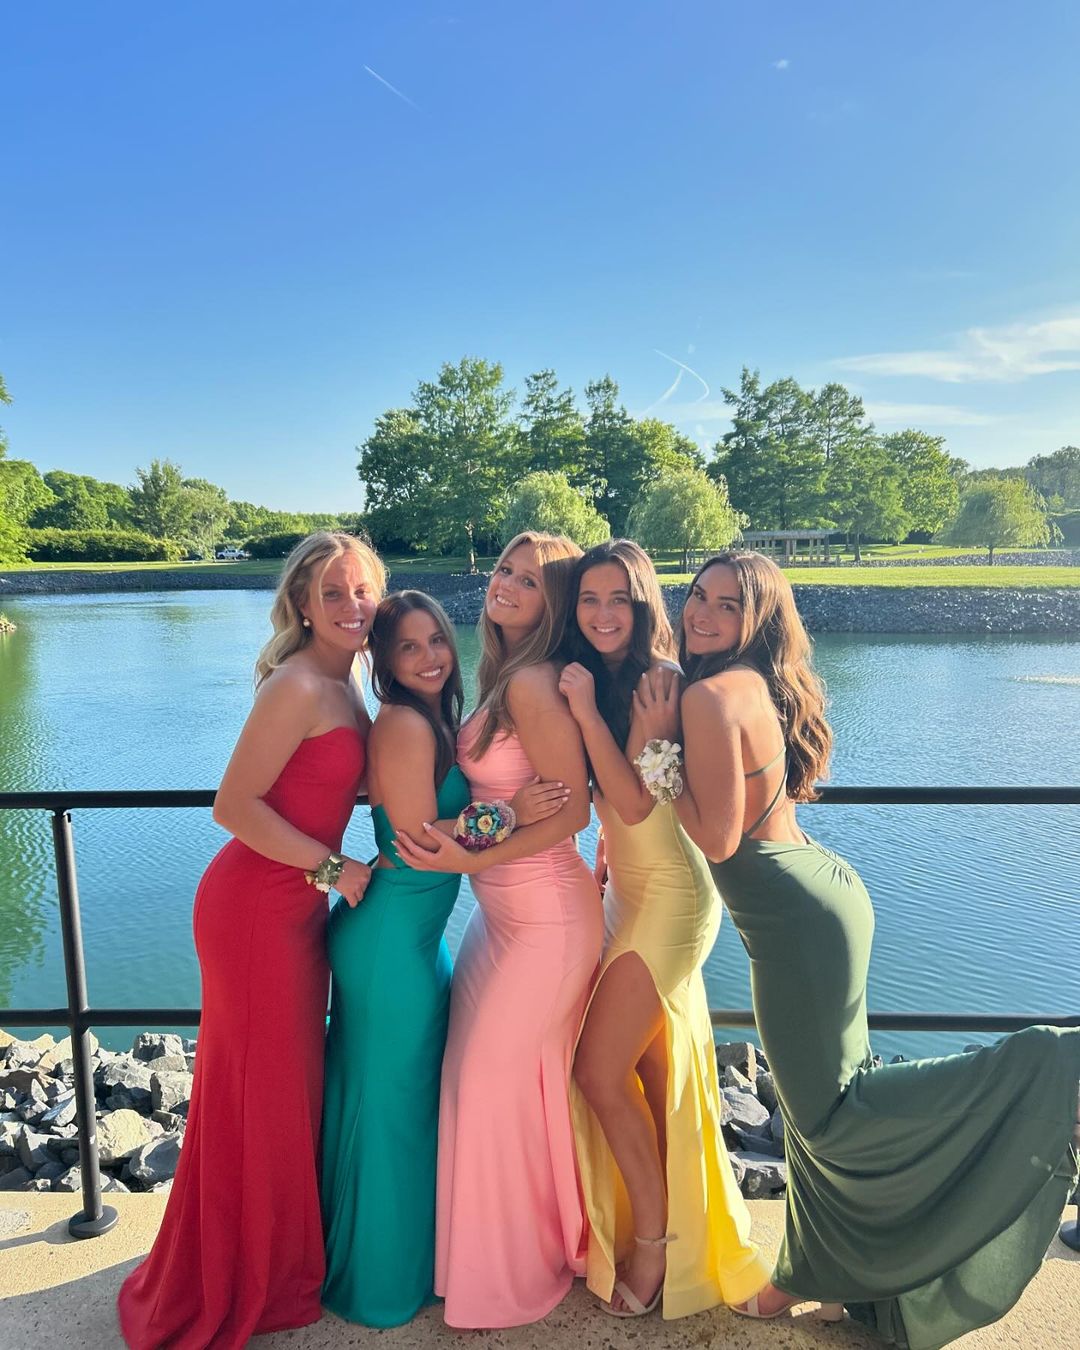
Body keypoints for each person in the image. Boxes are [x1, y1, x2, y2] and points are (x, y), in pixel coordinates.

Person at [637, 548, 1080, 1348]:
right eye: (698, 595)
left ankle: (1049, 1060)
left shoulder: (706, 696)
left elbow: (718, 836)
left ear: (757, 621)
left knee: (829, 1115)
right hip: (818, 892)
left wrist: (653, 751)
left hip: (791, 918)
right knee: (819, 1107)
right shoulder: (753, 682)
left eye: (728, 605)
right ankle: (827, 1278)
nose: (701, 613)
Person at [118, 530, 384, 1349]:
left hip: (295, 913)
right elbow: (233, 807)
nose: (351, 606)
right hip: (253, 913)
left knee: (285, 1092)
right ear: (301, 603)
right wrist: (334, 868)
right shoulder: (298, 685)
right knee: (260, 1094)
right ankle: (242, 1275)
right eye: (332, 592)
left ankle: (274, 1258)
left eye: (363, 590)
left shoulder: (350, 680)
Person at [320, 590, 569, 1326]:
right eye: (408, 646)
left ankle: (411, 1261)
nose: (430, 656)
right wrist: (511, 812)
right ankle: (376, 1285)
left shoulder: (432, 719)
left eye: (435, 640)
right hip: (388, 945)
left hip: (416, 944)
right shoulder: (402, 723)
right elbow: (418, 841)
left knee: (402, 1109)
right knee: (388, 1115)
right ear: (384, 662)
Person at [395, 531, 605, 1329]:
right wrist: (481, 830)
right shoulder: (503, 675)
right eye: (505, 570)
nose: (506, 585)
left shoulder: (536, 683)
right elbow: (507, 804)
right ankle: (482, 1256)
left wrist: (465, 852)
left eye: (529, 580)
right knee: (478, 1083)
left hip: (546, 920)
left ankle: (515, 1268)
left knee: (490, 1085)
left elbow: (572, 814)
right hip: (499, 919)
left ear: (555, 604)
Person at [558, 540, 769, 1318]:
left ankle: (651, 1248)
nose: (603, 613)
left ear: (643, 603)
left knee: (596, 1071)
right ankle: (671, 1231)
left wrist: (586, 713)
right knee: (644, 1075)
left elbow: (640, 799)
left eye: (619, 598)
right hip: (627, 890)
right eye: (589, 599)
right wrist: (603, 853)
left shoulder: (662, 682)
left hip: (674, 900)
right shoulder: (605, 677)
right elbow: (616, 811)